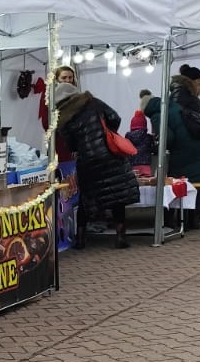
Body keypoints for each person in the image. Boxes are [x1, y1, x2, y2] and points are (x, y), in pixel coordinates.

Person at [53, 81, 139, 249]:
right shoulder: (93, 102)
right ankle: (120, 236)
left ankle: (80, 239)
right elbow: (115, 117)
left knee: (86, 198)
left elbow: (70, 145)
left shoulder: (63, 117)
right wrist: (105, 133)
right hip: (110, 155)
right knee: (117, 198)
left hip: (87, 161)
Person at [145, 67, 200, 227]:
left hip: (187, 152)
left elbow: (168, 138)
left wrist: (157, 143)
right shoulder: (186, 101)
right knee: (193, 183)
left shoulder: (161, 111)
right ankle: (191, 220)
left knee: (172, 182)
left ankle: (170, 222)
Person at [127, 89, 155, 168]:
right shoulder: (148, 137)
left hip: (132, 165)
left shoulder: (128, 136)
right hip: (145, 166)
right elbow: (153, 149)